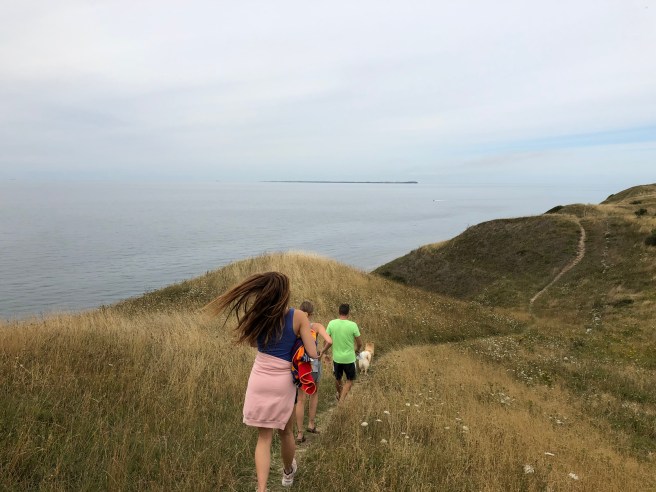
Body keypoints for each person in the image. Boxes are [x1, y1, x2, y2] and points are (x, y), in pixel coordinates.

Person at [203, 272, 318, 491]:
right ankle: (288, 472)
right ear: (284, 293)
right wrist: (306, 337)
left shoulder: (259, 315)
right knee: (286, 432)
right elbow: (312, 353)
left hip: (259, 376)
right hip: (282, 380)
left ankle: (262, 489)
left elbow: (253, 344)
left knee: (263, 438)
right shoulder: (298, 316)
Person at [295, 301, 332, 444]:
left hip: (300, 366)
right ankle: (311, 424)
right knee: (314, 394)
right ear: (311, 314)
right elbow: (329, 340)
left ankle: (299, 434)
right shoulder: (316, 326)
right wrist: (322, 351)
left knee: (300, 399)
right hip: (314, 364)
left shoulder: (295, 326)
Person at [325, 303, 362, 402]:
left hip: (337, 358)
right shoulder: (353, 325)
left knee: (338, 378)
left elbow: (326, 340)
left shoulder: (331, 323)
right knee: (349, 380)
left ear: (339, 312)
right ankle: (341, 400)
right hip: (349, 358)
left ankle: (340, 396)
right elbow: (359, 343)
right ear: (348, 313)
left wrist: (326, 353)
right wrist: (357, 350)